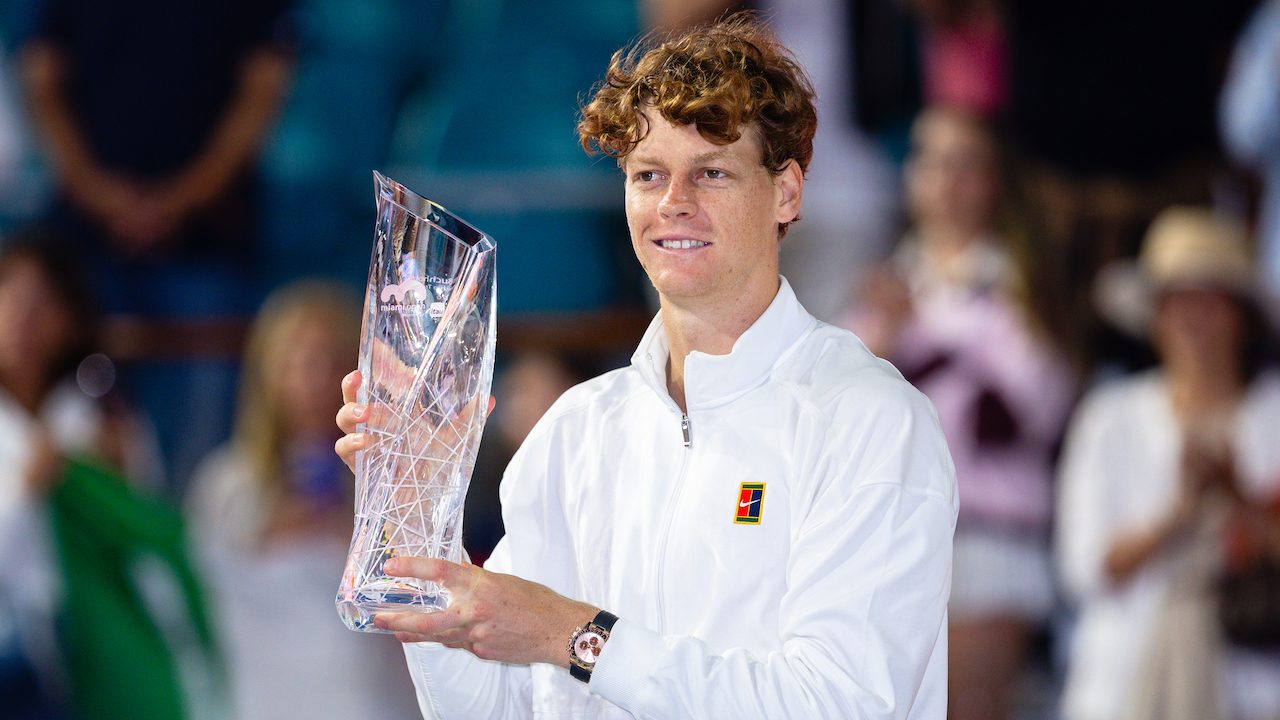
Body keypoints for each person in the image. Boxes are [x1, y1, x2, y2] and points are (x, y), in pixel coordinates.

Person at [336, 15, 956, 719]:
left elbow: (839, 704)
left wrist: (574, 635)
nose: (673, 204)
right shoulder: (577, 430)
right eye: (648, 175)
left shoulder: (869, 420)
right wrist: (421, 515)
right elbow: (495, 708)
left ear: (786, 191)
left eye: (711, 173)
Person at [845, 105, 1073, 719]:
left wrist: (914, 336)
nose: (947, 180)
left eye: (966, 164)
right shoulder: (883, 286)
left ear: (995, 180)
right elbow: (840, 421)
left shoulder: (1023, 287)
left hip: (987, 538)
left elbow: (1028, 412)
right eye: (933, 161)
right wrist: (888, 335)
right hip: (888, 544)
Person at [1056, 208, 1280, 720]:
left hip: (1256, 688)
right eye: (1177, 302)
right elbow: (1083, 567)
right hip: (1123, 684)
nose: (1193, 318)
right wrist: (1179, 514)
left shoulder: (1274, 414)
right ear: (1155, 318)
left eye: (1210, 300)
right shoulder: (1110, 417)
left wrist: (1237, 498)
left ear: (1242, 317)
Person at [185, 281, 419, 720]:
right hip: (259, 685)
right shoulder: (227, 481)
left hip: (362, 690)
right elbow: (196, 589)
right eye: (298, 363)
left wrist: (350, 534)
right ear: (267, 373)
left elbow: (418, 591)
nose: (314, 381)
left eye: (330, 362)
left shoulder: (390, 480)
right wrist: (272, 535)